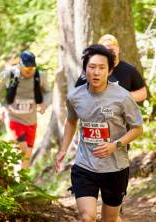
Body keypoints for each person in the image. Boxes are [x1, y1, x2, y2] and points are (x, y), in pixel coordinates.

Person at [55, 44, 143, 222]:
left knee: (110, 219)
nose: (96, 72)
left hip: (115, 167)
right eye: (92, 67)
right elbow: (71, 121)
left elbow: (137, 128)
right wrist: (63, 149)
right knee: (87, 217)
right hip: (85, 165)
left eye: (101, 68)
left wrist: (115, 145)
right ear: (85, 69)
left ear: (110, 71)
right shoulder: (75, 97)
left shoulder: (123, 97)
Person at [0, 51, 50, 168]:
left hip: (31, 122)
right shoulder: (9, 74)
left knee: (27, 156)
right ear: (19, 66)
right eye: (27, 69)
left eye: (32, 69)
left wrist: (45, 103)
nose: (30, 72)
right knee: (22, 150)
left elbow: (48, 91)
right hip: (14, 119)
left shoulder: (39, 76)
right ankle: (17, 179)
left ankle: (21, 183)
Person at [75, 34, 147, 102]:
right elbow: (77, 93)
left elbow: (143, 93)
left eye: (112, 49)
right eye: (106, 49)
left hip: (121, 112)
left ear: (118, 49)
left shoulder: (129, 69)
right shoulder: (91, 69)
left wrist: (123, 97)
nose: (109, 52)